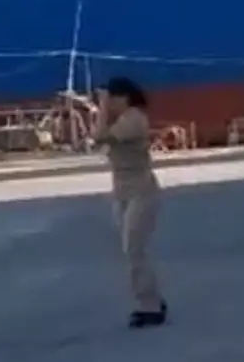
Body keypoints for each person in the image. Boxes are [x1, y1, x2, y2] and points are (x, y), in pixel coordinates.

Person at [92, 77, 167, 328]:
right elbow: (96, 137)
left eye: (111, 98)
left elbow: (100, 136)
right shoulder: (121, 120)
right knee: (131, 250)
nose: (108, 104)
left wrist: (102, 106)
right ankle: (151, 299)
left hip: (141, 190)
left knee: (133, 247)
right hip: (121, 191)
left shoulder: (134, 118)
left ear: (123, 98)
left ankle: (150, 306)